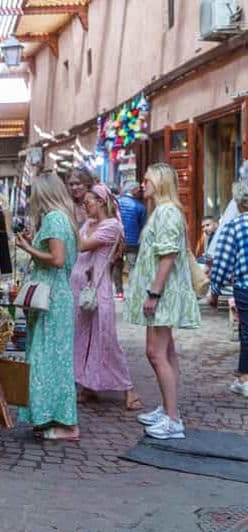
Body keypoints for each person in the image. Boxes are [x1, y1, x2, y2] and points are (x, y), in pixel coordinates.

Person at [124, 163, 201, 439]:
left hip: (163, 294)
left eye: (148, 180)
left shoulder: (167, 212)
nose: (143, 184)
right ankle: (168, 409)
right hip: (161, 293)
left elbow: (167, 256)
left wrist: (154, 292)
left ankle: (172, 417)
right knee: (163, 352)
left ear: (160, 182)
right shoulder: (163, 212)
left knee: (157, 353)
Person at [15, 173, 79, 441]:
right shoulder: (65, 218)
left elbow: (57, 258)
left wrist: (28, 248)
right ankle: (50, 416)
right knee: (53, 358)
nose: (32, 199)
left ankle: (66, 425)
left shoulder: (54, 219)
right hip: (58, 294)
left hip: (50, 296)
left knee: (47, 358)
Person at [72, 184, 142, 410]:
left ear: (101, 202)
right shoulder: (89, 223)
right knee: (84, 338)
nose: (85, 207)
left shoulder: (112, 226)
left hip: (98, 291)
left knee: (106, 339)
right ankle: (89, 385)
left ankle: (129, 389)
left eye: (89, 202)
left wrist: (68, 221)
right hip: (82, 290)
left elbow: (82, 246)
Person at [207, 181, 248, 397]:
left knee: (247, 332)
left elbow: (222, 263)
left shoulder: (235, 226)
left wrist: (214, 291)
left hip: (244, 286)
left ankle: (244, 378)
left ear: (240, 203)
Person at [114, 181, 146, 298]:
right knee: (133, 266)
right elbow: (143, 225)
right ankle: (133, 290)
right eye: (138, 190)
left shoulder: (117, 203)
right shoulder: (140, 206)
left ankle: (119, 292)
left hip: (118, 240)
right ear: (133, 190)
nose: (140, 192)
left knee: (117, 265)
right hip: (133, 241)